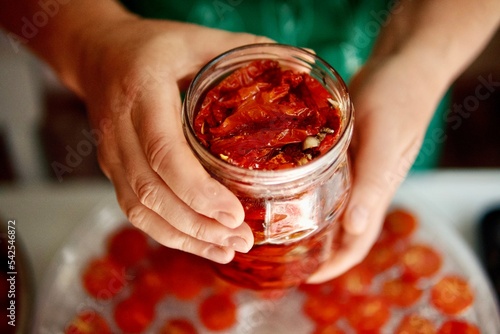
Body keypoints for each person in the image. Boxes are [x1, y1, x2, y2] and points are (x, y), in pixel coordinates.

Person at [1, 0, 499, 283]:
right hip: (161, 75)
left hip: (377, 84)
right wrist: (91, 40)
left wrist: (422, 57)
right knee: (179, 220)